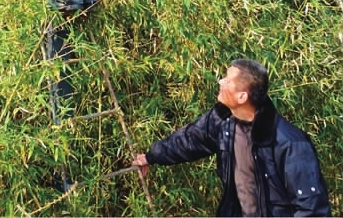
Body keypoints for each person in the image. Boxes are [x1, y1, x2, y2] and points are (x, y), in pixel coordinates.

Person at [132, 59, 331, 217]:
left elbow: (311, 208)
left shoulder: (290, 143)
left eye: (227, 80)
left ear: (242, 97)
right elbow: (189, 140)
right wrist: (151, 156)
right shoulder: (223, 121)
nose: (220, 82)